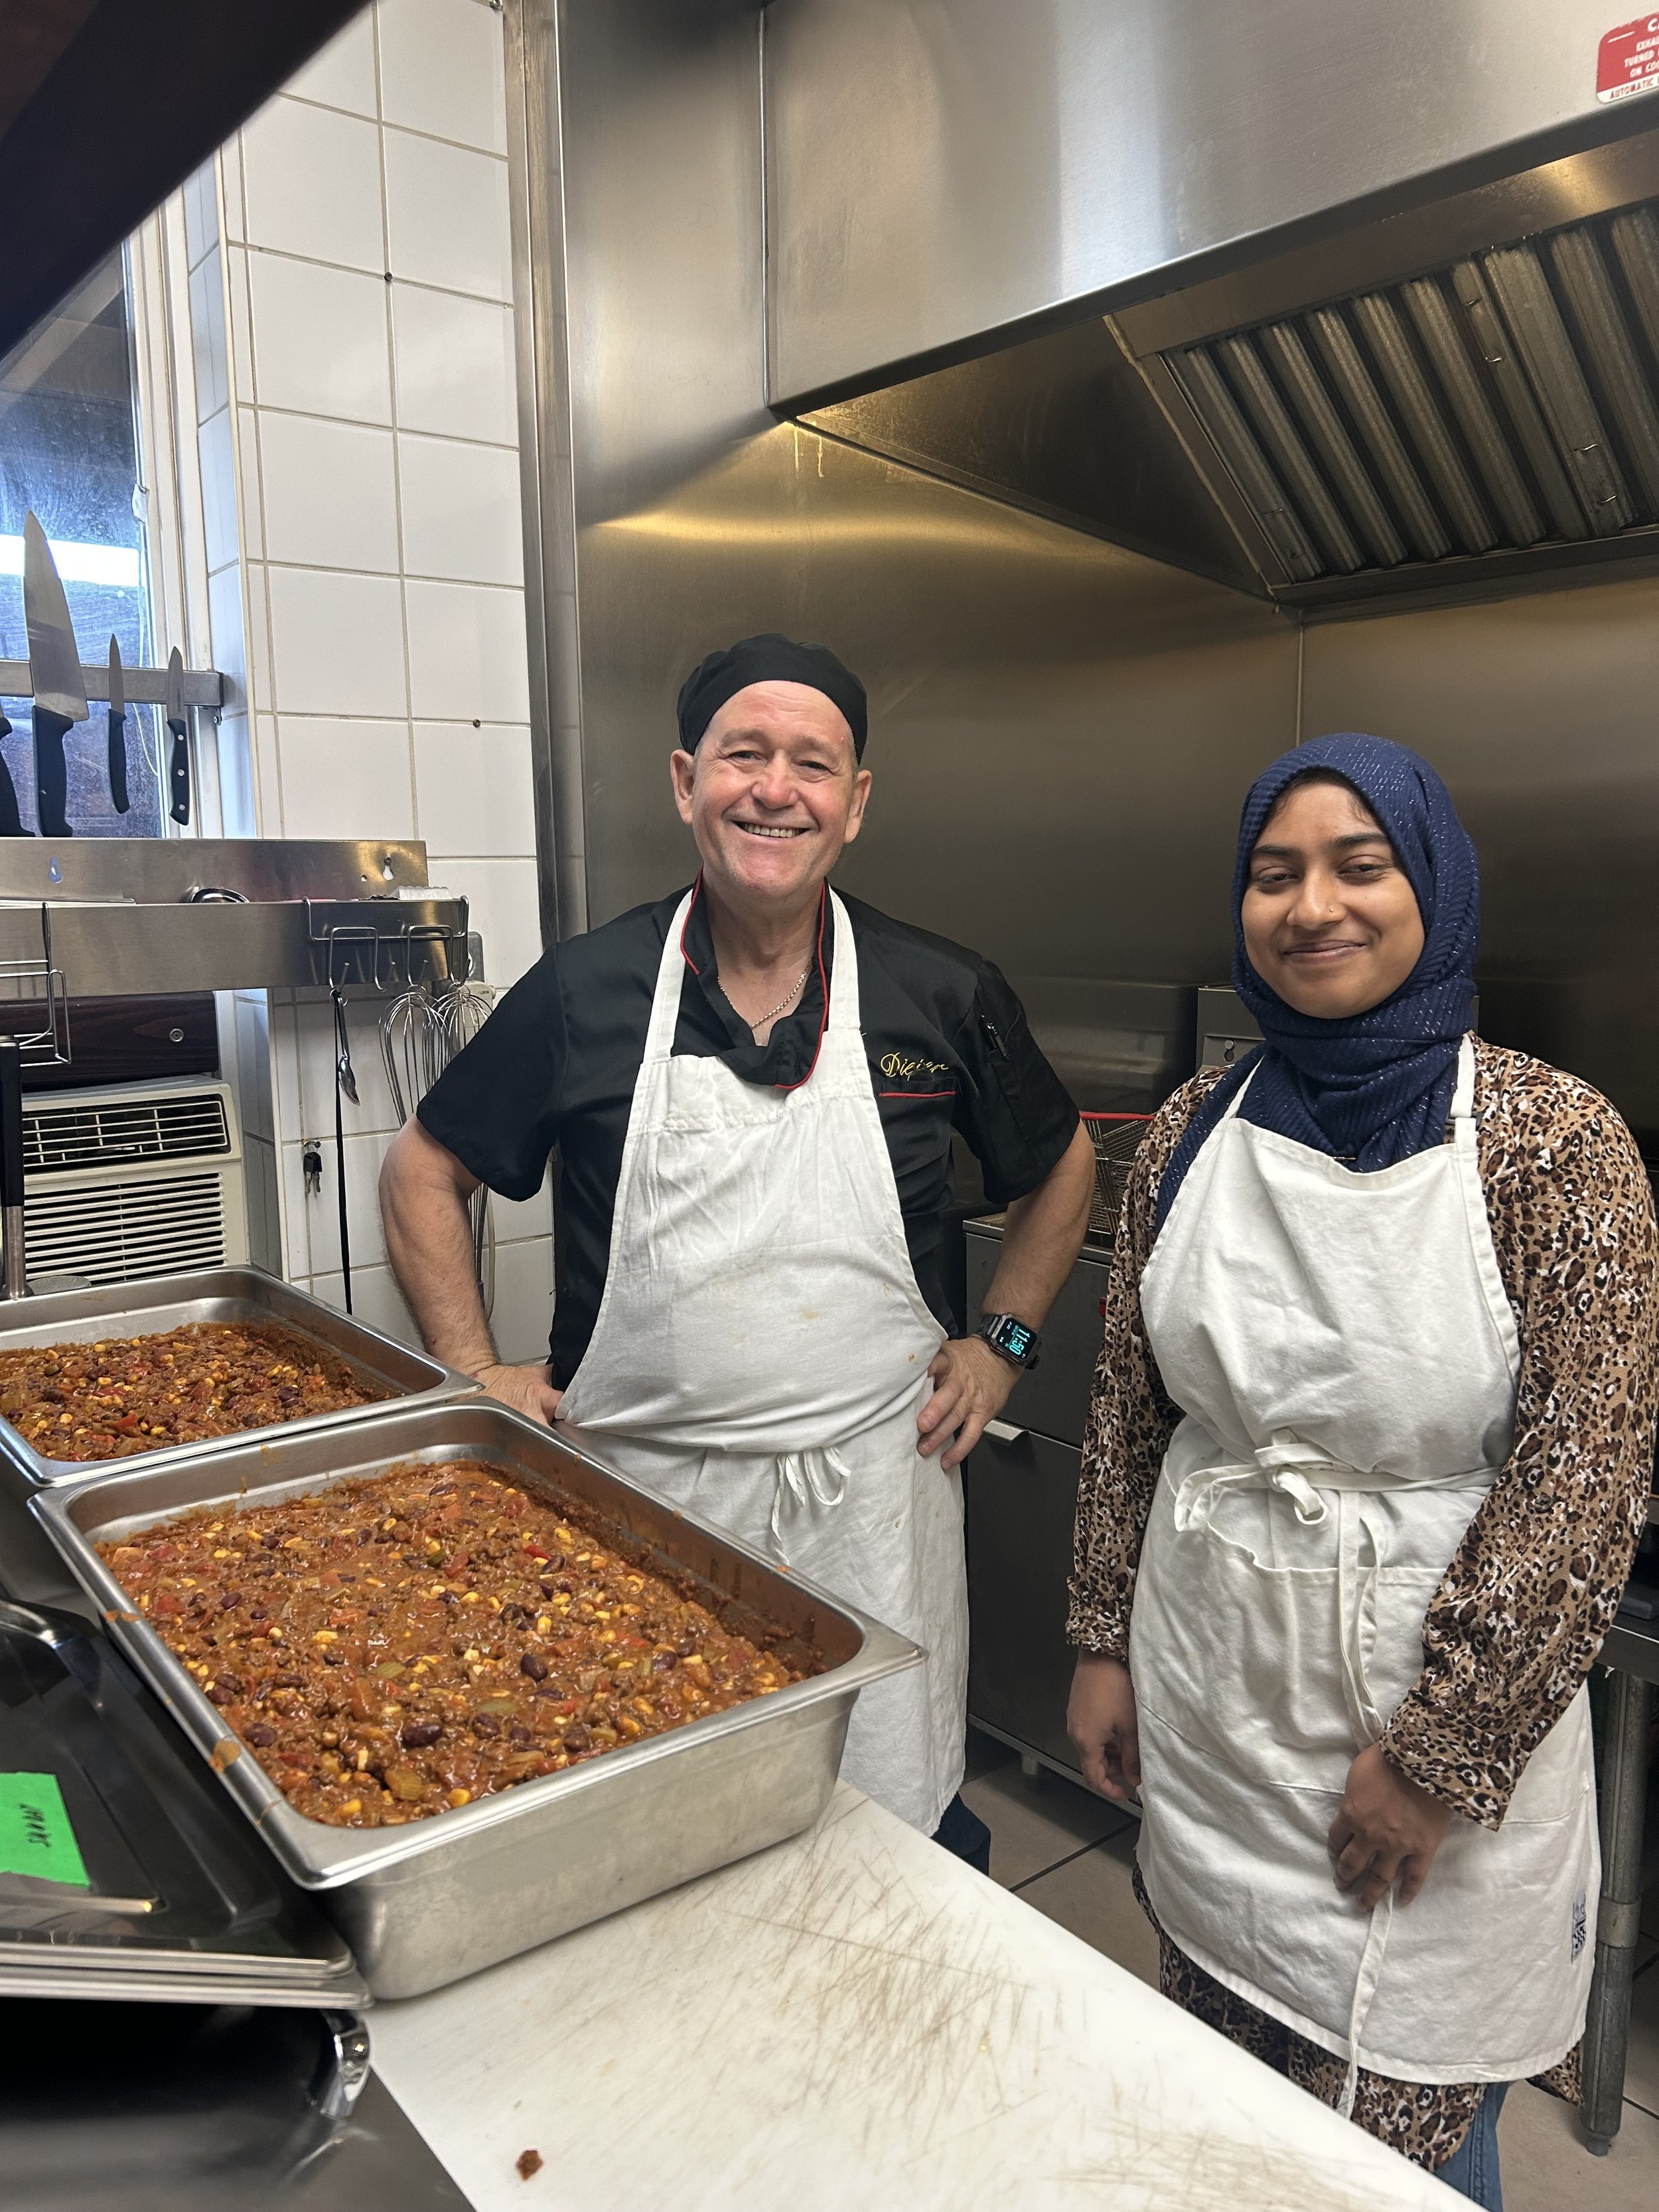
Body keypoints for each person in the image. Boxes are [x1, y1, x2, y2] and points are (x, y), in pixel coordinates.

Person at [382, 632, 1096, 1863]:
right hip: (643, 1506)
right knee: (644, 1833)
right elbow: (421, 1170)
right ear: (685, 782)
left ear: (855, 802)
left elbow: (1062, 1162)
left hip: (875, 1507)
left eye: (812, 764)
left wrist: (1006, 1345)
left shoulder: (940, 991)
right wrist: (473, 1369)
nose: (775, 789)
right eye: (742, 755)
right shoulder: (586, 991)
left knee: (882, 1833)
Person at [1065, 733, 1658, 2204]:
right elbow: (1129, 1410)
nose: (1311, 904)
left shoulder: (1552, 1142)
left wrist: (1437, 1760)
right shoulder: (1188, 1129)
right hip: (1215, 1690)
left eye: (1359, 864)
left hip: (1417, 1726)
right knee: (1224, 2084)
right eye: (1274, 873)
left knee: (1398, 2148)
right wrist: (1099, 1641)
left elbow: (1580, 1490)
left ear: (1434, 888)